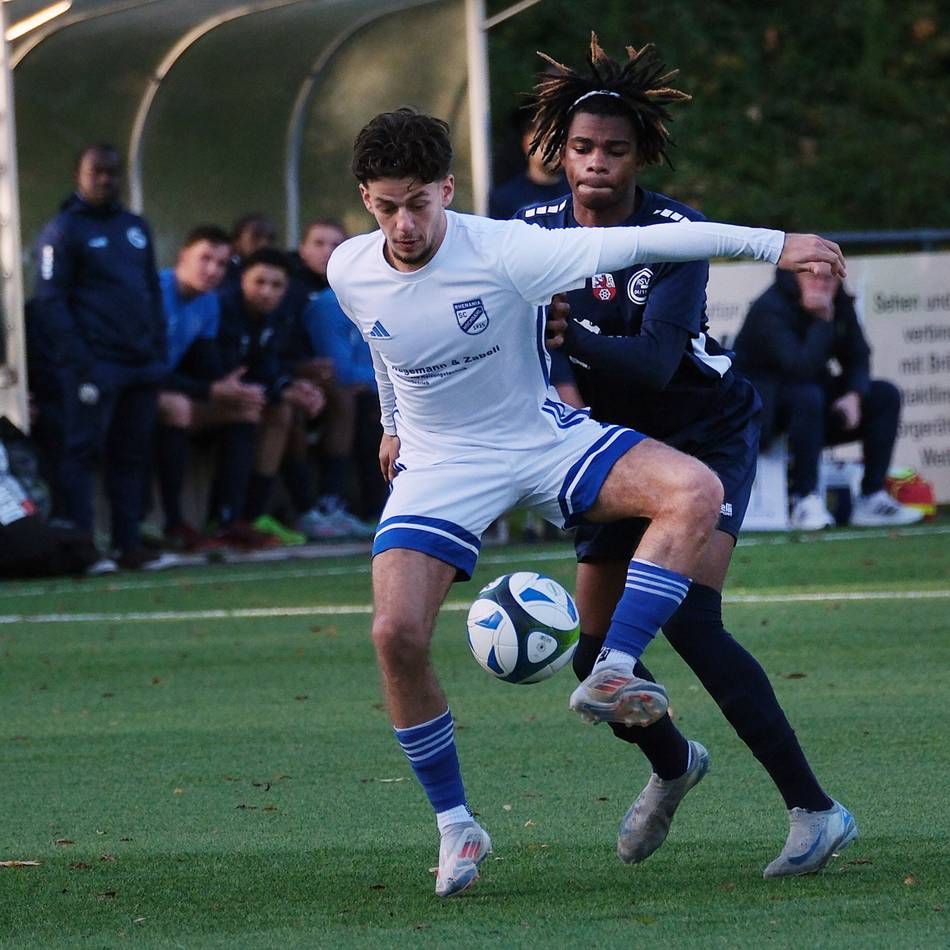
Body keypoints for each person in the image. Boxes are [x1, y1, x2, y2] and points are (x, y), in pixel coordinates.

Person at [326, 105, 845, 898]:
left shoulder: (510, 247)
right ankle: (473, 822)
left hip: (637, 429)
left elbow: (654, 253)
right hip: (454, 462)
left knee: (693, 585)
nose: (402, 224)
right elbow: (383, 336)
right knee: (396, 632)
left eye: (418, 203)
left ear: (447, 189)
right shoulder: (352, 265)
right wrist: (394, 424)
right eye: (386, 205)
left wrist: (779, 246)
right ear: (365, 198)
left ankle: (791, 793)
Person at [519, 34, 858, 879]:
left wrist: (570, 332)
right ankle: (675, 766)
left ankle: (815, 811)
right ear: (560, 152)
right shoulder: (526, 230)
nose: (597, 163)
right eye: (583, 148)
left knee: (694, 624)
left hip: (703, 431)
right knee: (595, 657)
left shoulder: (676, 232)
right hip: (611, 447)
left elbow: (651, 362)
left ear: (641, 158)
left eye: (616, 151)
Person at [28, 143, 166, 570]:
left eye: (112, 172)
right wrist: (80, 362)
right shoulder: (63, 231)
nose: (106, 179)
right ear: (78, 175)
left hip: (140, 363)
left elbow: (151, 291)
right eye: (97, 172)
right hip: (94, 365)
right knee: (83, 452)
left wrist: (158, 348)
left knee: (132, 454)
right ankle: (82, 547)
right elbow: (50, 302)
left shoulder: (134, 227)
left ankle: (128, 544)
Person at [733, 269, 923, 530]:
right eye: (813, 276)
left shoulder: (840, 303)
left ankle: (871, 496)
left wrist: (854, 395)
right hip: (764, 410)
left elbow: (858, 355)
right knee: (807, 395)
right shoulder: (769, 309)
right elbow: (799, 367)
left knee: (884, 395)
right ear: (795, 276)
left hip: (814, 404)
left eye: (828, 278)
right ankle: (804, 498)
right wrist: (823, 321)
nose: (821, 284)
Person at [155, 225, 270, 551]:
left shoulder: (209, 304)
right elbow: (146, 368)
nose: (213, 270)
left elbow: (207, 365)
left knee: (245, 407)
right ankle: (174, 523)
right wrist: (210, 390)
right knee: (177, 406)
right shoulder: (155, 292)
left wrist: (233, 387)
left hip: (171, 387)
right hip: (132, 388)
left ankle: (225, 520)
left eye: (221, 264)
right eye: (205, 259)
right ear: (182, 257)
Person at [213, 248, 325, 547]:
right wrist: (278, 388)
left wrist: (292, 386)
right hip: (204, 393)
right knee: (250, 408)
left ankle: (252, 515)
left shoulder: (277, 316)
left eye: (276, 286)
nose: (267, 292)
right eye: (259, 282)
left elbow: (267, 365)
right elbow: (222, 367)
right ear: (242, 281)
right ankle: (226, 519)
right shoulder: (222, 308)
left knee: (282, 410)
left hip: (241, 395)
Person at [488, 109, 567, 221]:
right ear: (527, 143)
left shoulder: (579, 194)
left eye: (560, 140)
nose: (555, 148)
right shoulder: (505, 198)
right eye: (548, 140)